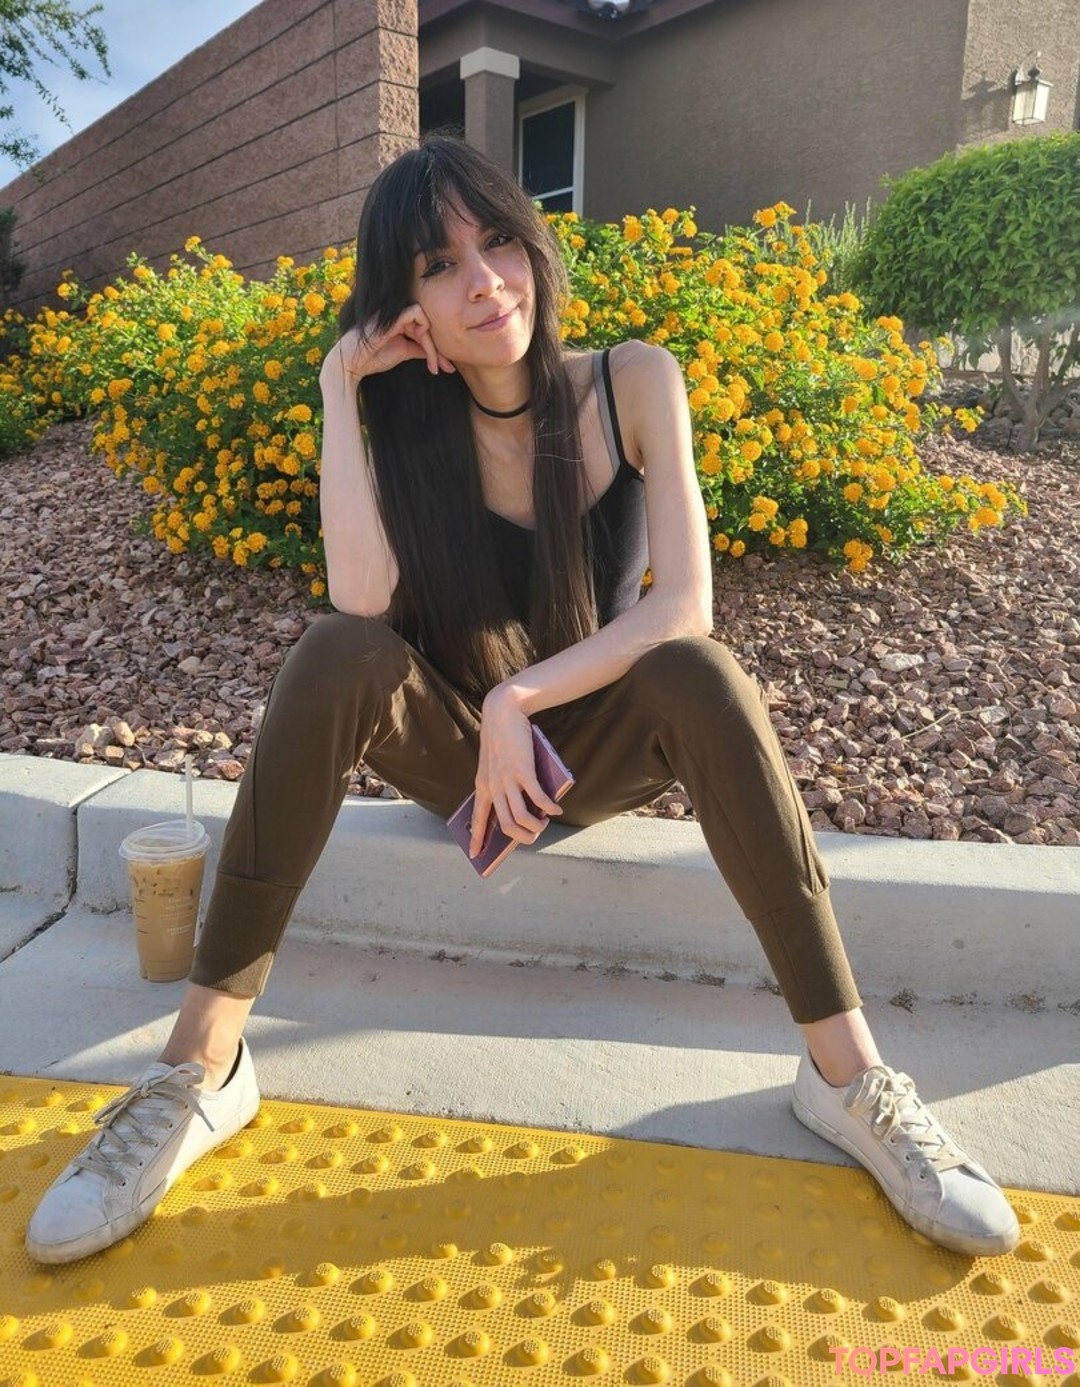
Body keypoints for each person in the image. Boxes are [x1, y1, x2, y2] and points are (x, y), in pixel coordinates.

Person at [27, 134, 1018, 1265]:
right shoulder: (409, 429)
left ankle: (849, 1078)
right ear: (405, 308)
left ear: (534, 246)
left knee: (702, 674)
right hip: (463, 766)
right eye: (438, 265)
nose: (484, 281)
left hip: (589, 746)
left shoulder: (633, 379)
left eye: (497, 240)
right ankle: (200, 1067)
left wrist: (519, 700)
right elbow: (362, 599)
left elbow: (685, 605)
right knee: (333, 653)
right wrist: (339, 388)